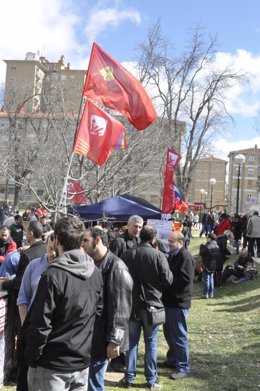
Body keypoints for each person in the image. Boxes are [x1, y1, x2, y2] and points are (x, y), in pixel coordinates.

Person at [24, 216, 103, 391]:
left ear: (57, 240)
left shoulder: (53, 275)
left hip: (56, 366)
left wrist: (32, 357)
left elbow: (40, 324)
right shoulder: (94, 272)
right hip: (75, 360)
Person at [121, 225, 173, 390]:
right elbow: (168, 280)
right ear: (153, 239)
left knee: (132, 342)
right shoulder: (158, 255)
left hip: (132, 305)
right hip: (152, 304)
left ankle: (129, 377)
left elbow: (120, 279)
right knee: (150, 342)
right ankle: (151, 379)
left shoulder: (127, 255)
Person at [82, 227, 133, 391]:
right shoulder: (89, 263)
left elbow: (121, 308)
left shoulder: (117, 267)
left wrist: (114, 340)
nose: (81, 245)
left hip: (103, 338)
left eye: (85, 241)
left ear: (97, 240)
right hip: (90, 335)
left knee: (94, 382)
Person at [16, 232, 56, 391]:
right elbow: (23, 298)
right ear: (46, 245)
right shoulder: (34, 266)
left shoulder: (64, 270)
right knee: (25, 378)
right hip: (31, 331)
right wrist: (26, 328)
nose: (53, 253)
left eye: (56, 250)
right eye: (50, 248)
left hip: (53, 334)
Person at [109, 214, 143, 372]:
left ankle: (124, 356)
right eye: (135, 226)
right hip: (119, 288)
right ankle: (116, 360)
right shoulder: (118, 242)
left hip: (134, 289)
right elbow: (111, 263)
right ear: (128, 226)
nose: (137, 229)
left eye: (140, 227)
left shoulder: (139, 242)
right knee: (119, 323)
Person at [160, 231, 194, 380]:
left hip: (178, 303)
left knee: (179, 335)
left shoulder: (185, 256)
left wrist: (168, 285)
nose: (169, 243)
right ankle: (172, 359)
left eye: (172, 241)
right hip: (169, 301)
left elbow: (185, 279)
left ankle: (183, 366)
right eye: (168, 240)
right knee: (169, 333)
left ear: (180, 242)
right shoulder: (173, 255)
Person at [199, 233, 220, 299]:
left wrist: (202, 245)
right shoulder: (217, 246)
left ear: (210, 238)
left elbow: (201, 253)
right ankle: (211, 293)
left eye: (207, 237)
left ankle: (205, 294)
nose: (206, 239)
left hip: (206, 264)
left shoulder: (208, 246)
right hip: (214, 264)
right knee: (211, 279)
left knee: (206, 279)